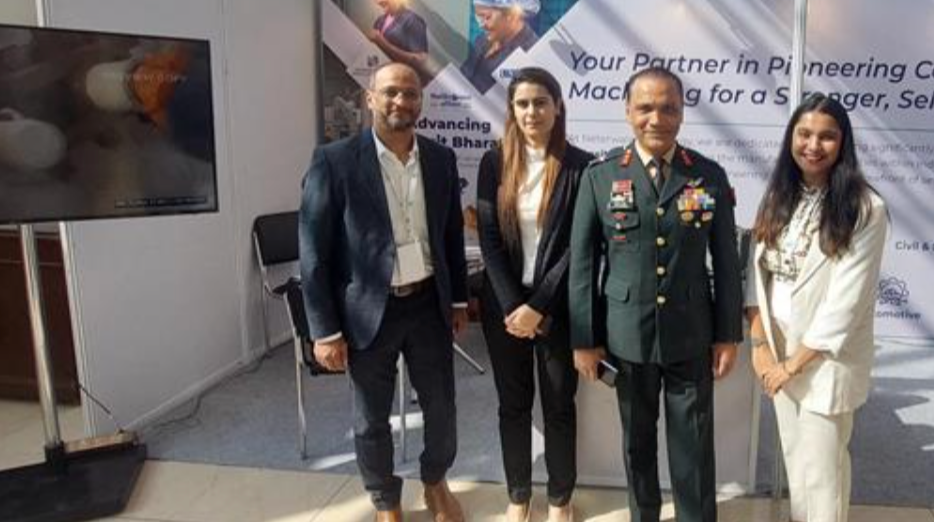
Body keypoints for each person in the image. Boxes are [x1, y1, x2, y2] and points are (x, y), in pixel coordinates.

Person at [568, 66, 743, 522]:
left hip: (691, 333)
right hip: (626, 337)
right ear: (628, 111)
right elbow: (584, 265)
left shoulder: (707, 176)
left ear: (682, 113)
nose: (656, 118)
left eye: (668, 107)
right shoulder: (600, 177)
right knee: (637, 443)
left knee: (694, 443)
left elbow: (726, 263)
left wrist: (728, 335)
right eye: (645, 107)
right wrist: (584, 339)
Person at [299, 63, 469, 522]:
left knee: (442, 406)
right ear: (369, 99)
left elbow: (451, 234)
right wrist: (325, 330)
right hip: (366, 311)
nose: (402, 102)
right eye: (391, 92)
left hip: (427, 305)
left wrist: (457, 302)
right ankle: (385, 502)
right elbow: (313, 253)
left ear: (421, 101)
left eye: (411, 94)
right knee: (371, 418)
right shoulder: (333, 161)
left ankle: (435, 482)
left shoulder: (439, 159)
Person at [744, 93, 888, 522]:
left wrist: (793, 364)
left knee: (823, 469)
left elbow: (846, 304)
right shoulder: (778, 196)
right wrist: (761, 347)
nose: (813, 144)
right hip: (779, 348)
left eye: (827, 136)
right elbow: (756, 275)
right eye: (804, 133)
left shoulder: (866, 209)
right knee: (795, 458)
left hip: (825, 359)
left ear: (843, 143)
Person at [476, 67, 592, 522]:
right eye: (522, 103)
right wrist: (512, 306)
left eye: (540, 102)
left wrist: (538, 306)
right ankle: (519, 496)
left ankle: (560, 500)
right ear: (511, 109)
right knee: (513, 405)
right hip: (504, 309)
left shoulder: (581, 166)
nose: (531, 112)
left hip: (558, 309)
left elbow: (578, 246)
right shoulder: (493, 161)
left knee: (560, 406)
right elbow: (487, 237)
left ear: (557, 106)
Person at [459, 0, 540, 95]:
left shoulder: (531, 51)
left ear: (512, 15)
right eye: (478, 18)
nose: (481, 25)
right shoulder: (481, 41)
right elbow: (463, 79)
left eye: (487, 17)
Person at [367, 0, 430, 81]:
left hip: (407, 81)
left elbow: (421, 60)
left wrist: (383, 43)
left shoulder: (412, 20)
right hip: (386, 80)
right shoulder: (379, 21)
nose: (378, 1)